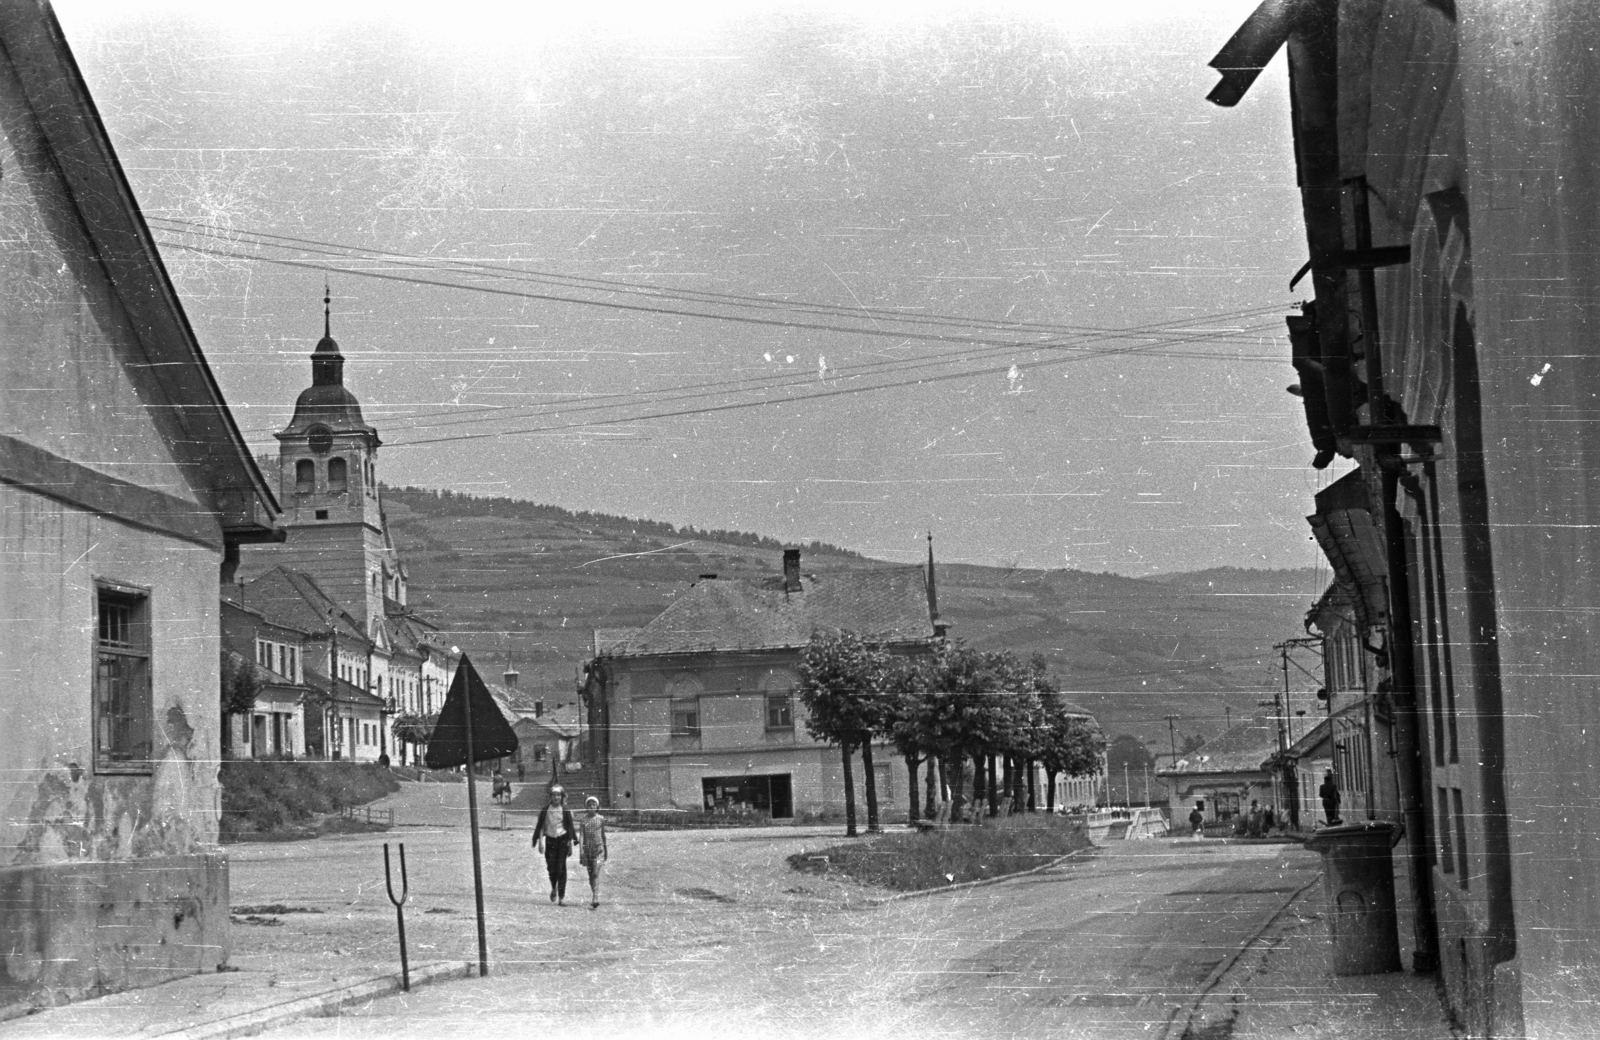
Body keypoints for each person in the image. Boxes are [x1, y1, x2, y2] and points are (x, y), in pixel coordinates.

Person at [532, 785, 576, 905]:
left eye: (558, 795)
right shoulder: (546, 810)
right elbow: (541, 826)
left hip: (562, 840)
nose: (556, 797)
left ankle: (561, 897)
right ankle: (554, 887)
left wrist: (570, 845)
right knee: (551, 868)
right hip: (550, 840)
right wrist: (540, 842)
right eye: (554, 795)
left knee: (561, 868)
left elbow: (569, 828)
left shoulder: (565, 810)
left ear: (562, 797)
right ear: (550, 796)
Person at [577, 795, 608, 910]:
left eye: (593, 805)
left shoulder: (601, 819)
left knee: (595, 872)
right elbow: (581, 836)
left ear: (597, 806)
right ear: (586, 807)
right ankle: (594, 893)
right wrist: (581, 851)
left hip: (599, 850)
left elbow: (603, 835)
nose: (591, 807)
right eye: (589, 805)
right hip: (587, 851)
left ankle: (595, 897)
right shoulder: (583, 820)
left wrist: (606, 848)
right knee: (590, 875)